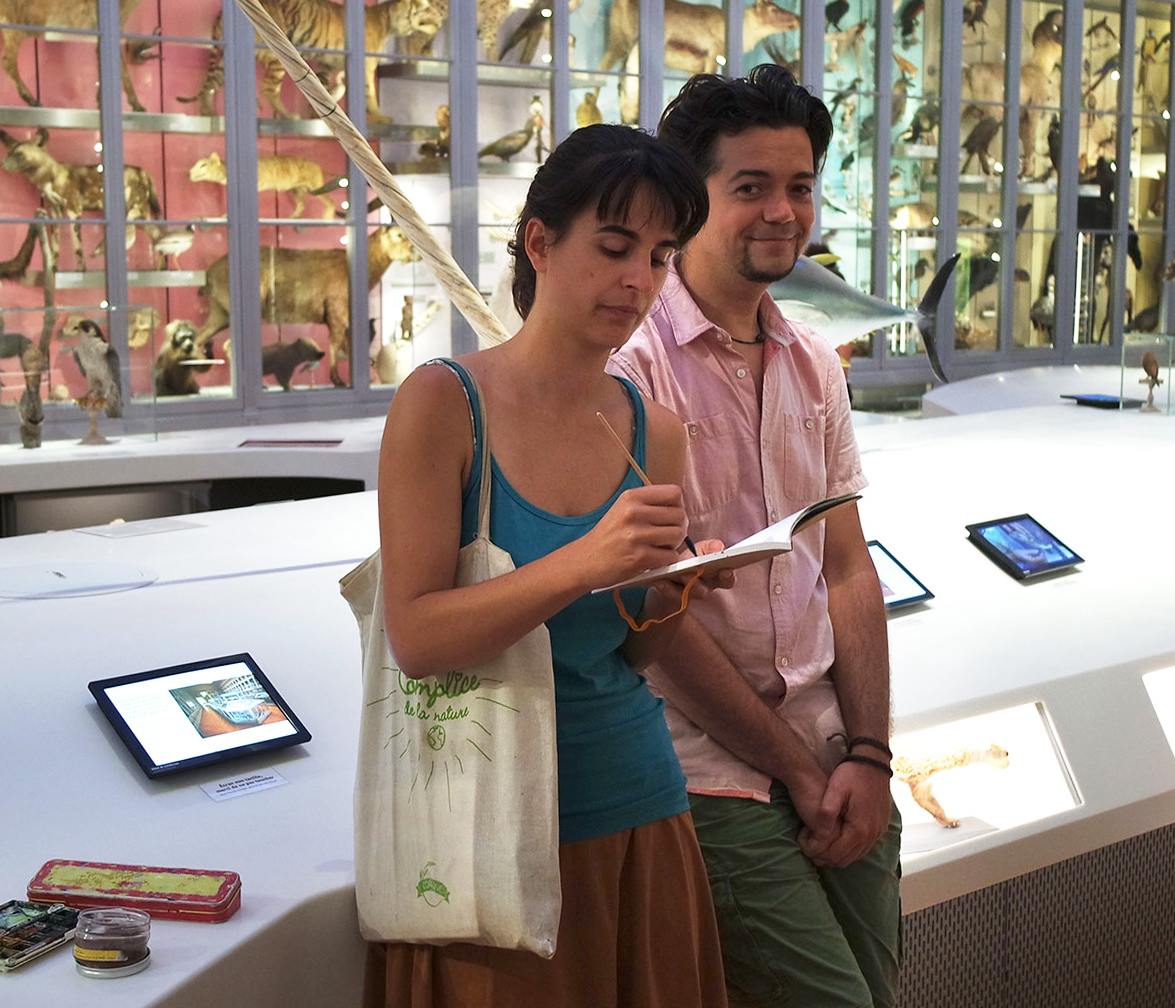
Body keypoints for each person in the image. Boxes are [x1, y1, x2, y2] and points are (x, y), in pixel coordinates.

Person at [366, 124, 728, 1007]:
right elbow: (415, 636)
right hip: (482, 822)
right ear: (539, 241)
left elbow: (628, 653)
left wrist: (672, 590)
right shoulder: (444, 403)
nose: (638, 279)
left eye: (660, 256)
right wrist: (586, 559)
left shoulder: (654, 431)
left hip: (635, 801)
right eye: (614, 246)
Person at [608, 66, 903, 1008]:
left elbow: (845, 570)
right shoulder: (630, 369)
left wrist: (868, 756)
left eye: (799, 185)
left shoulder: (813, 361)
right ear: (690, 200)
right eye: (750, 186)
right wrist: (795, 770)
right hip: (707, 771)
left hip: (835, 753)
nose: (782, 211)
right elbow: (650, 617)